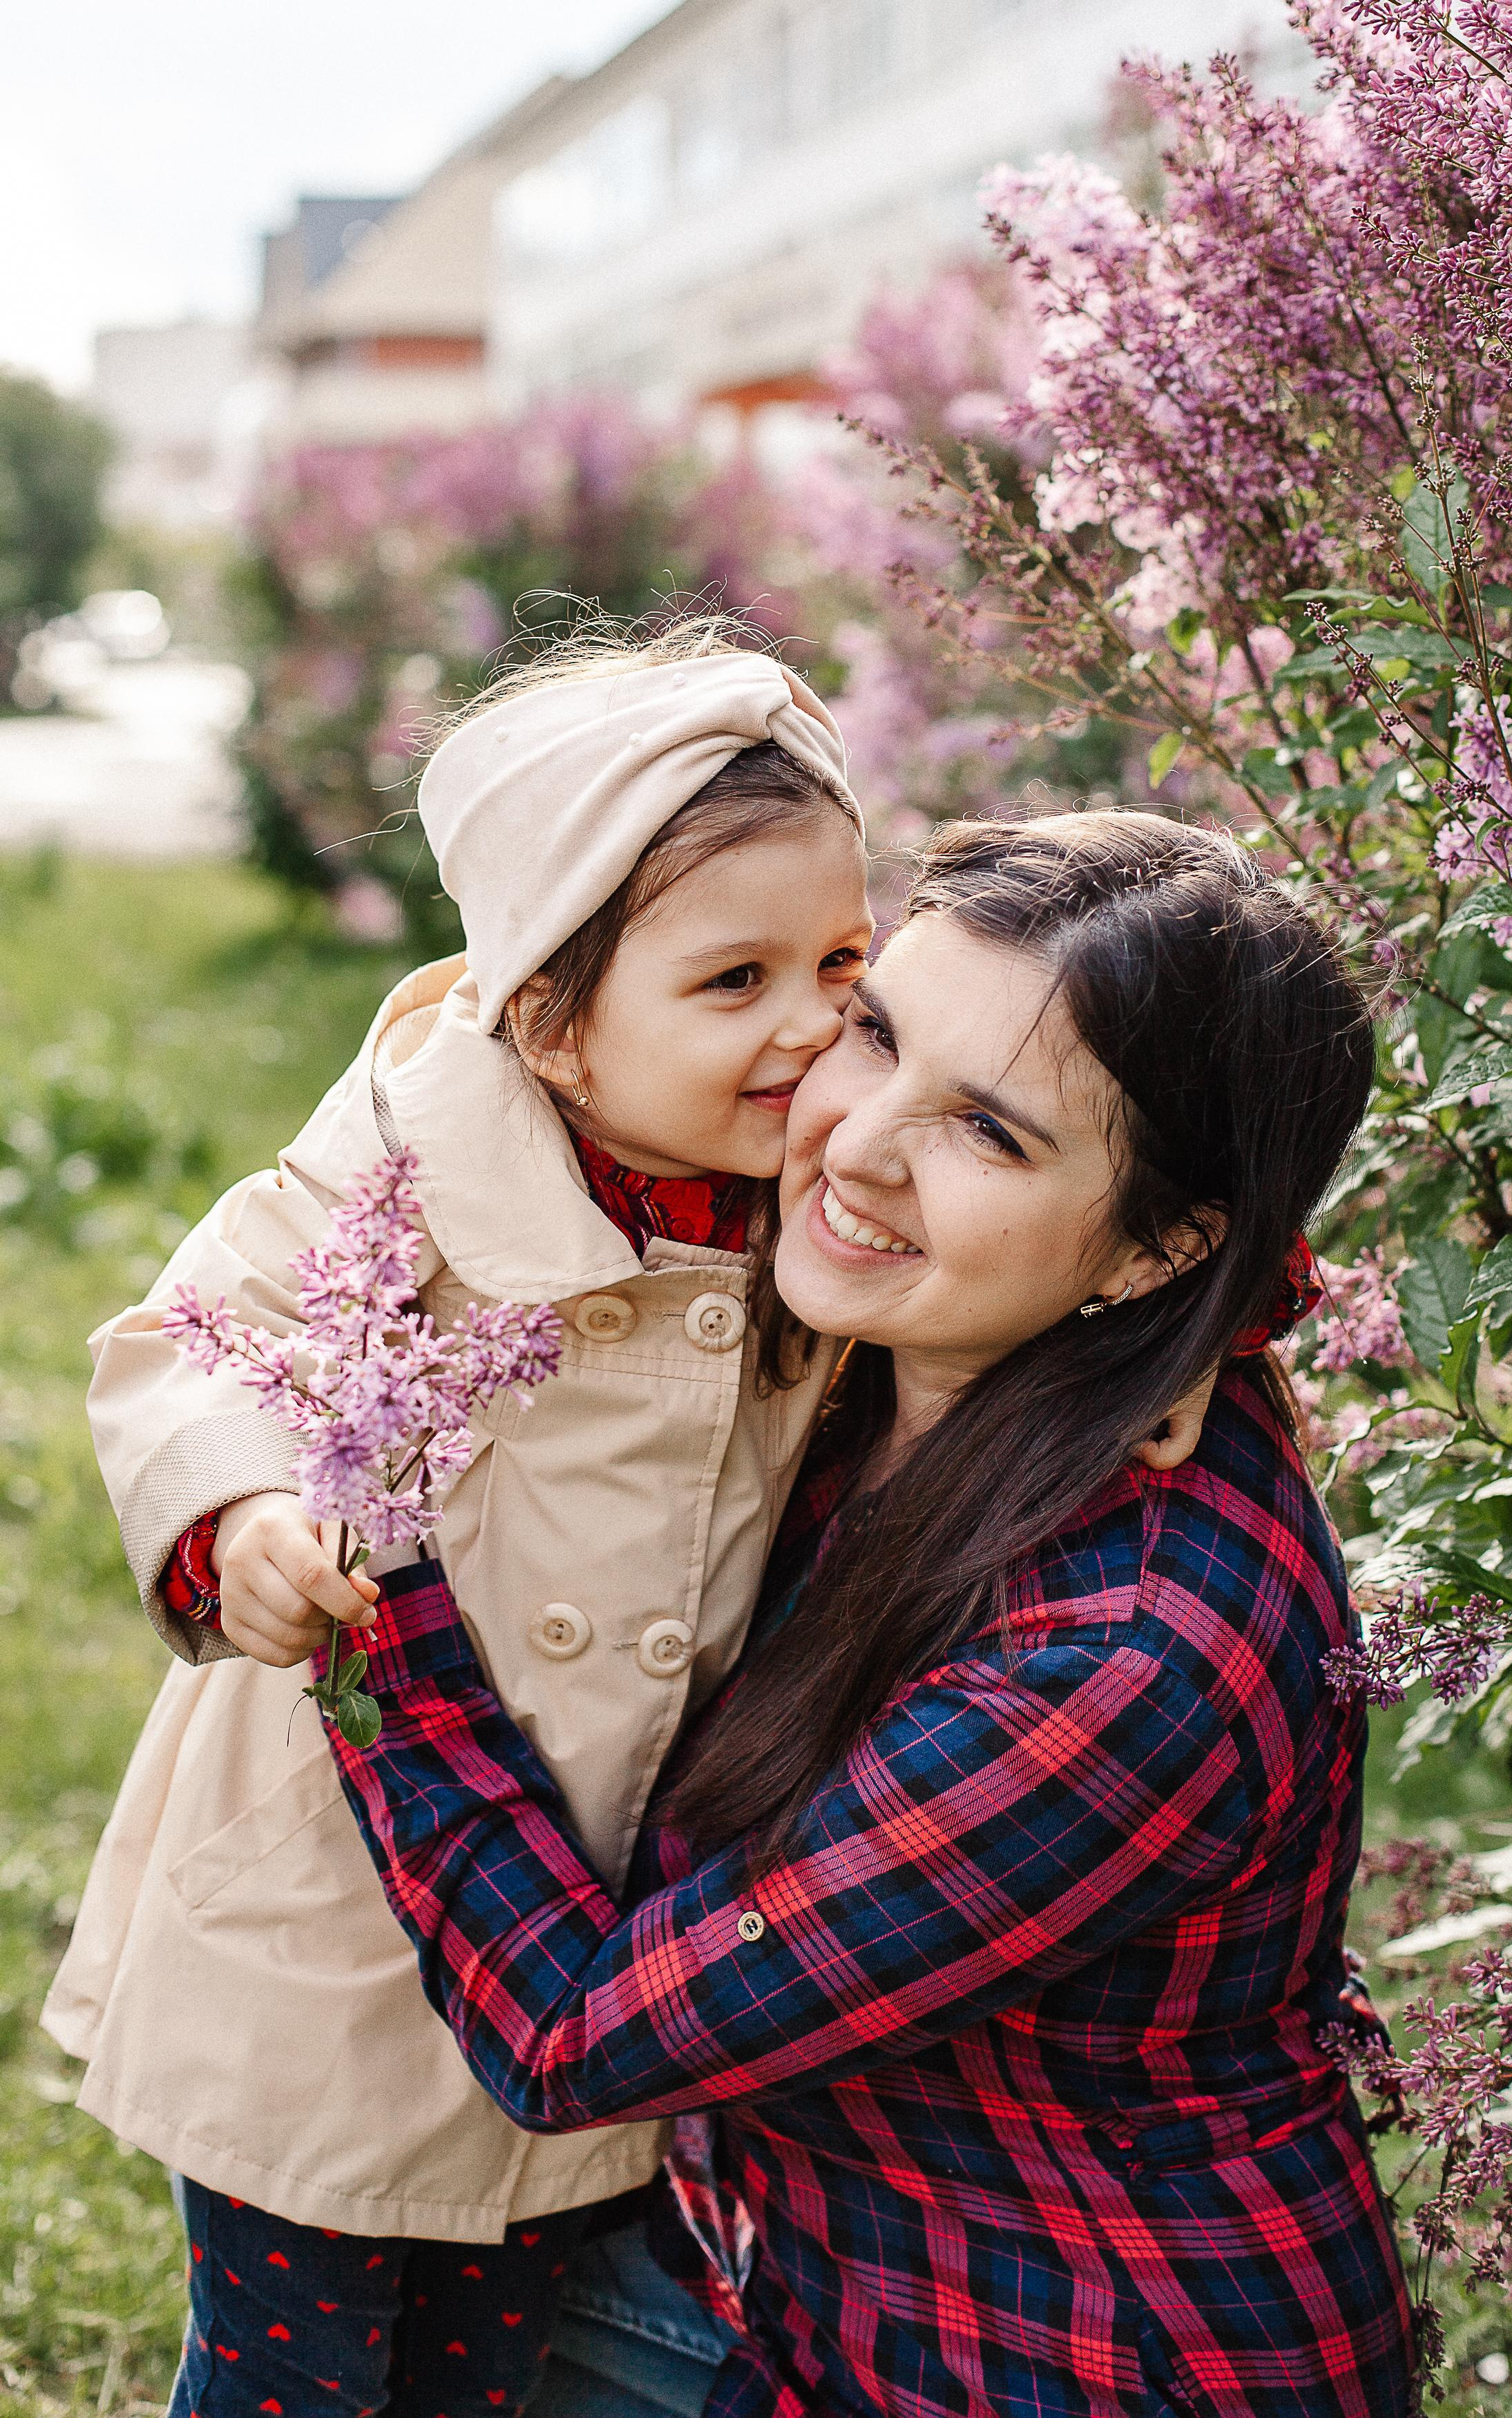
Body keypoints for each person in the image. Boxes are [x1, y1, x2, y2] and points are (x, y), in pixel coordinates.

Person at [44, 627, 1209, 2418]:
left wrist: (1155, 1356)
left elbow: (1009, 1270)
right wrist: (246, 1513)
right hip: (337, 1920)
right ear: (549, 1024)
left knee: (490, 2367)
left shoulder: (818, 1184)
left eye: (840, 961)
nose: (813, 1025)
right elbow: (193, 1344)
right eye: (731, 977)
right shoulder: (409, 1162)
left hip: (591, 1910)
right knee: (296, 2367)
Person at [323, 809, 1417, 2418]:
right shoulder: (923, 1364)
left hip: (1057, 2354)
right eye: (879, 1031)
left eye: (989, 1131)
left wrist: (359, 1590)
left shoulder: (1130, 1653)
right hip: (794, 2274)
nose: (854, 1142)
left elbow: (576, 2041)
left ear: (1163, 1250)